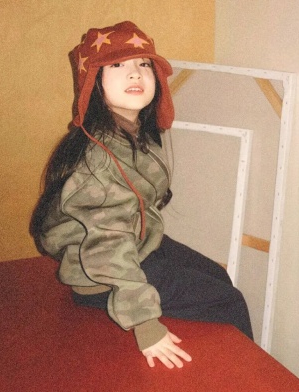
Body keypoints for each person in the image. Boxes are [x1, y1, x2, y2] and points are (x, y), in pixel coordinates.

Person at [30, 21, 253, 370]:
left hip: (137, 243)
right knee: (230, 302)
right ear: (94, 82)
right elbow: (106, 244)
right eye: (117, 65)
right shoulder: (98, 157)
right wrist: (145, 324)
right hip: (102, 274)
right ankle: (247, 377)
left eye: (144, 64)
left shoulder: (132, 134)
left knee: (218, 277)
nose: (134, 73)